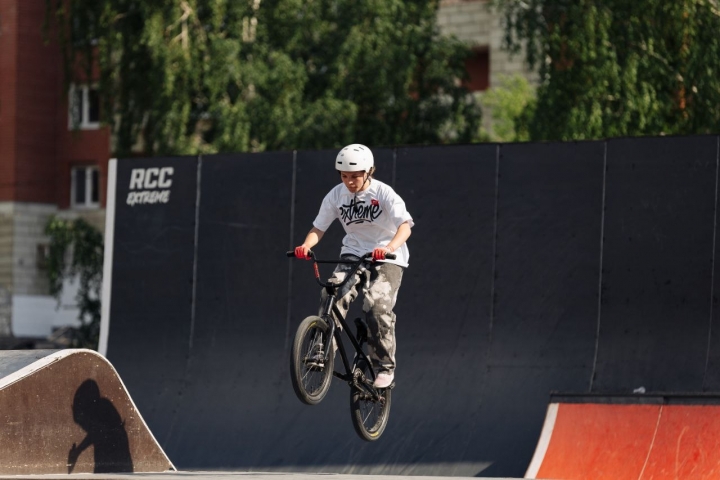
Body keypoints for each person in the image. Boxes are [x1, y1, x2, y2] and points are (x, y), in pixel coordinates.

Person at [294, 144, 413, 389]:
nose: (349, 182)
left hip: (387, 256)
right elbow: (318, 228)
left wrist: (389, 248)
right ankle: (321, 351)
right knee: (331, 291)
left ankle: (384, 366)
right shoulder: (336, 195)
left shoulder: (384, 193)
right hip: (353, 253)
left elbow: (405, 227)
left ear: (369, 172)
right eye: (344, 176)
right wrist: (306, 245)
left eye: (355, 176)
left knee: (376, 306)